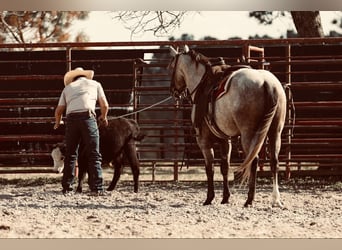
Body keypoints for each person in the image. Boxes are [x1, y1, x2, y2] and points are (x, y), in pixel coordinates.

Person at [54, 67, 109, 196]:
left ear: (73, 79)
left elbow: (59, 110)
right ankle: (97, 188)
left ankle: (67, 188)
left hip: (72, 119)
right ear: (85, 77)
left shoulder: (68, 88)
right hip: (88, 117)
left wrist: (58, 122)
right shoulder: (95, 84)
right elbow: (105, 105)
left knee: (71, 154)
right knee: (94, 153)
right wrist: (104, 116)